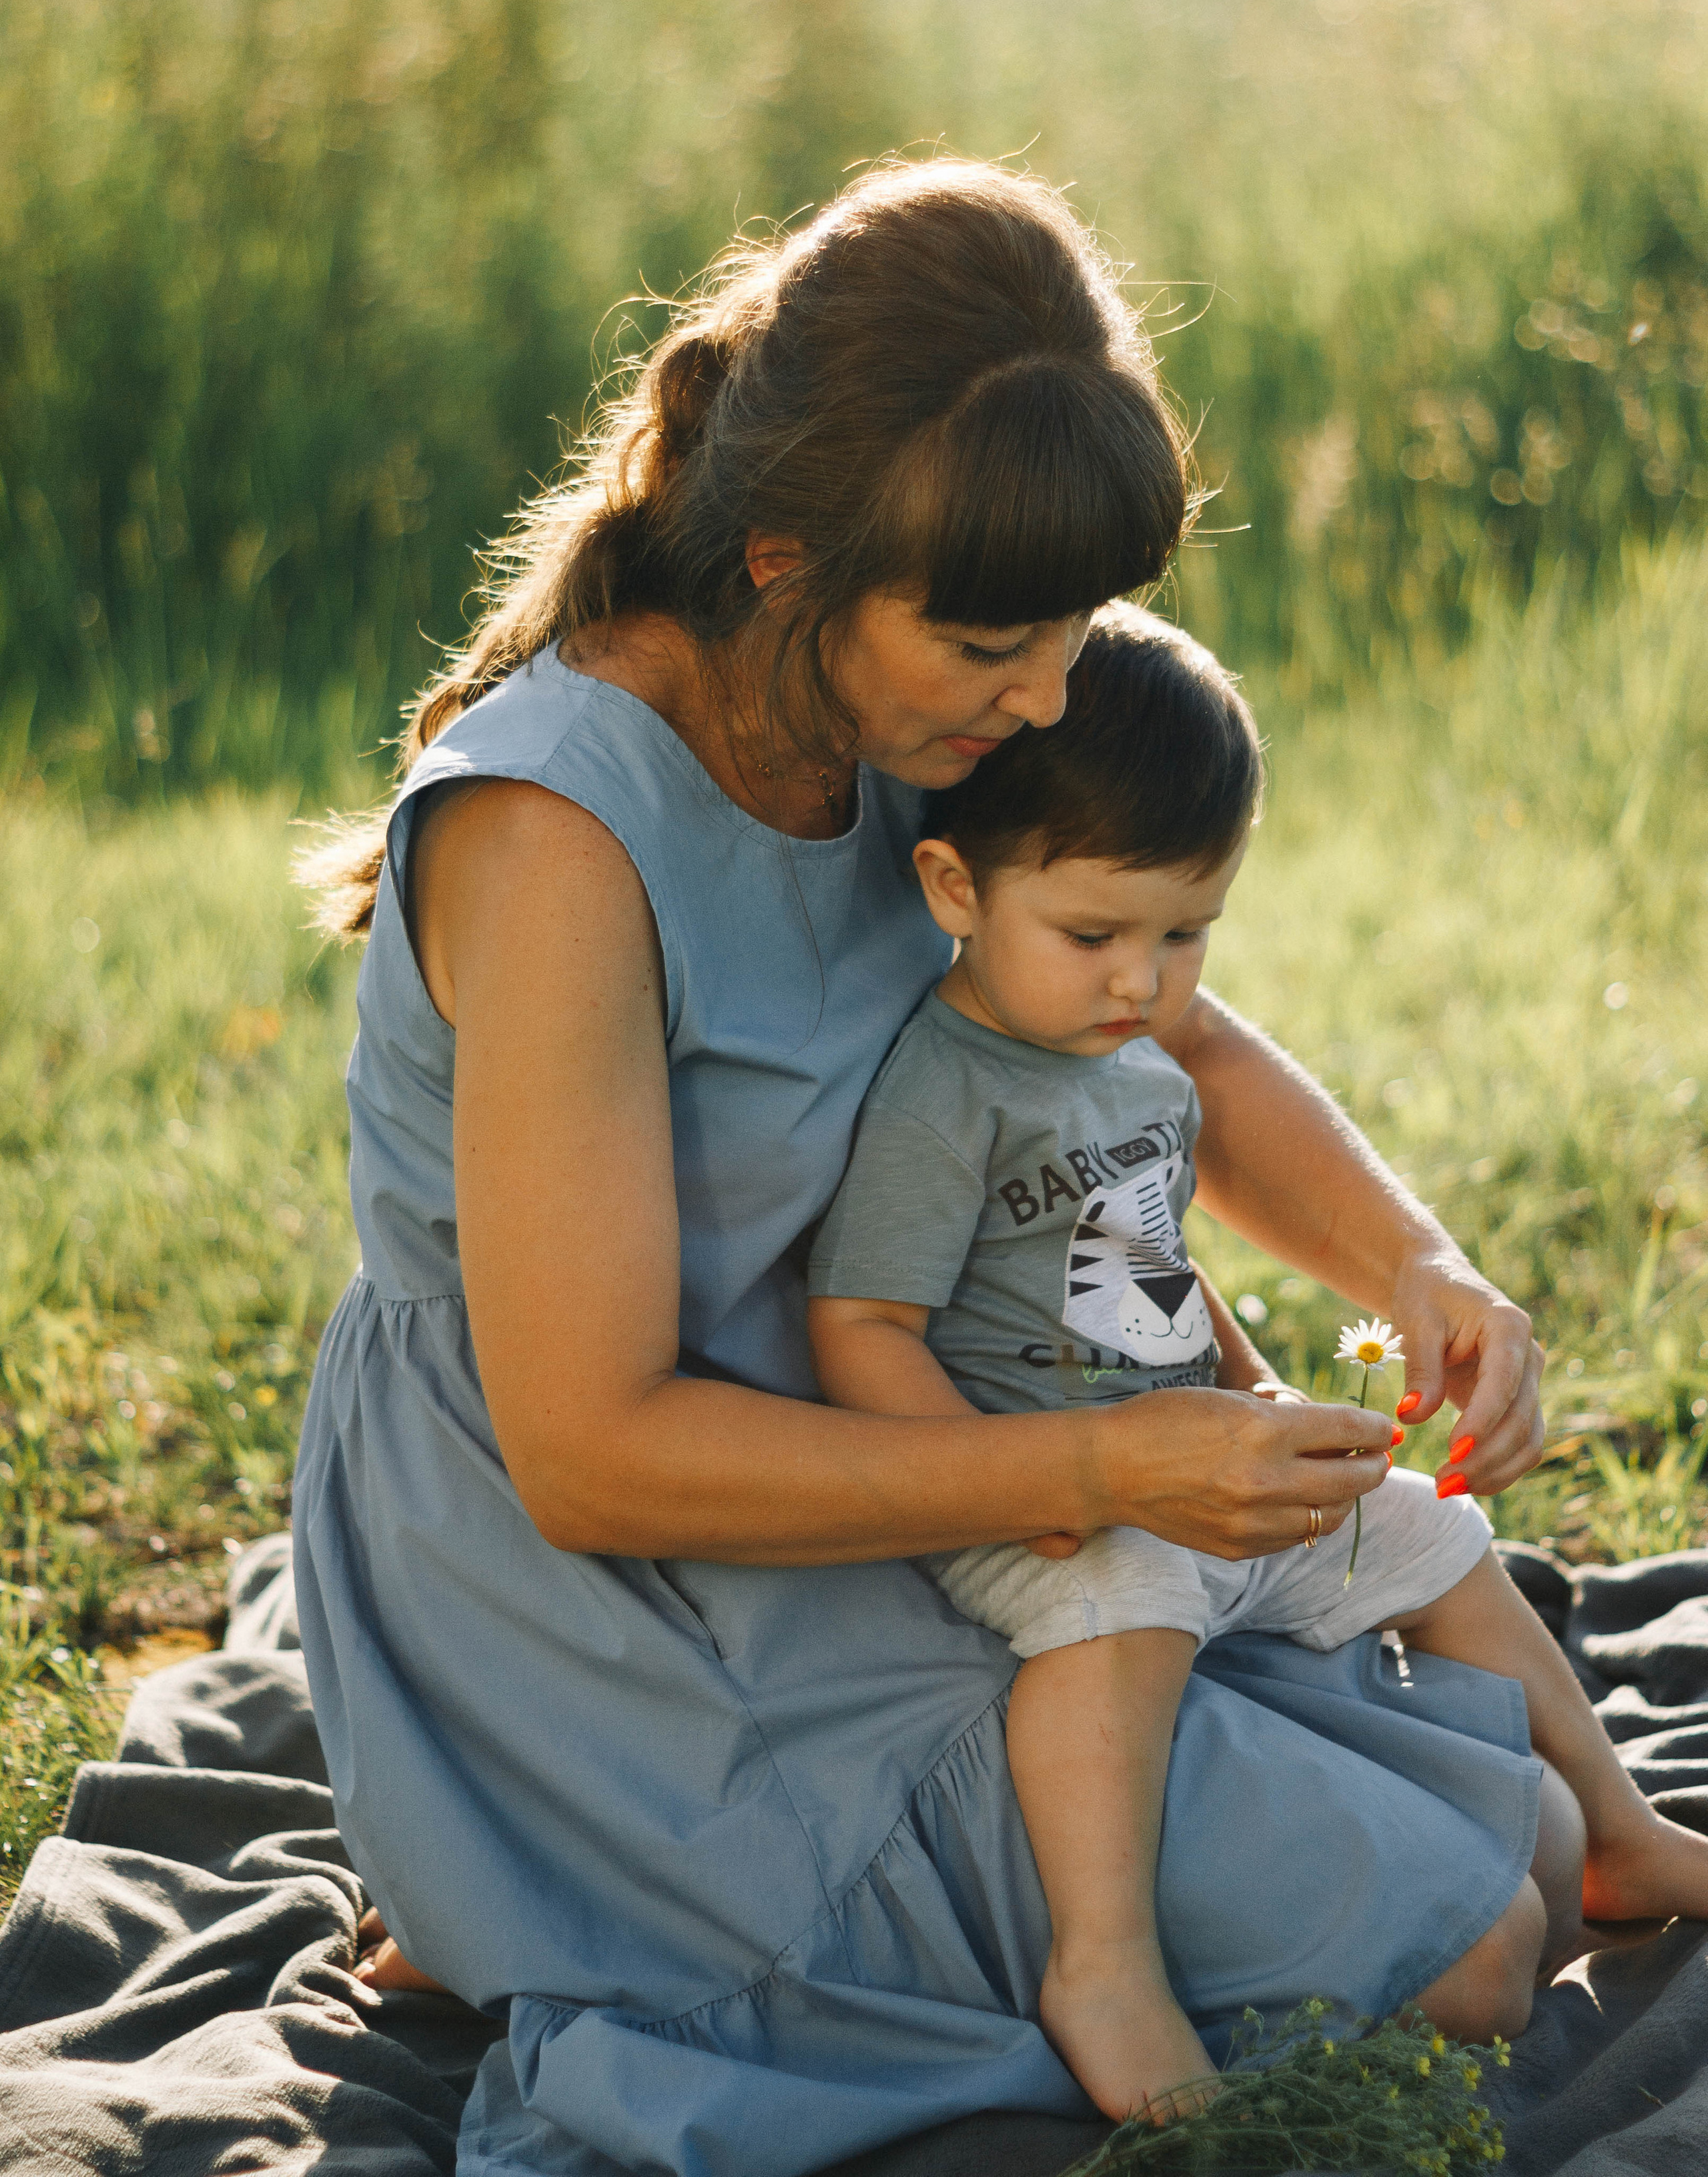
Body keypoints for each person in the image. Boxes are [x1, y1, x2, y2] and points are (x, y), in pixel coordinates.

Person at [296, 160, 1553, 2177]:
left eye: (1077, 626)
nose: (1053, 693)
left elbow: (1162, 1032)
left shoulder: (915, 715)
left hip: (894, 1456)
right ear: (785, 561)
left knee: (1532, 1844)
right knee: (1468, 1946)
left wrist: (1419, 1265)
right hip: (614, 1571)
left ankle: (564, 1893)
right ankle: (537, 1859)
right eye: (1000, 638)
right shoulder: (557, 843)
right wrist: (1100, 1473)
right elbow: (590, 1453)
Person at [808, 605, 1708, 2128]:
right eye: (1094, 935)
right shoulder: (940, 1096)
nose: (1141, 980)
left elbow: (1153, 1254)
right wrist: (1011, 1489)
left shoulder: (1129, 1060)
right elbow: (860, 1331)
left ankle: (1617, 1827)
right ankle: (1103, 1960)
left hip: (1179, 1454)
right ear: (952, 885)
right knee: (1124, 1605)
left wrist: (1254, 1390)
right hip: (1039, 1492)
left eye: (1184, 935)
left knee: (1428, 1528)